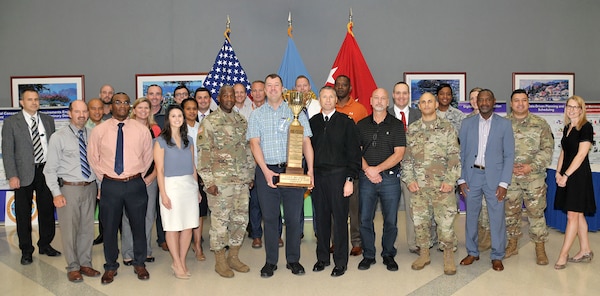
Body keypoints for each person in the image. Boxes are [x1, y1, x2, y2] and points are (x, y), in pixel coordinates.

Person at [247, 74, 314, 278]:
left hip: (293, 171)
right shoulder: (257, 115)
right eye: (269, 85)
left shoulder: (296, 111)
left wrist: (310, 170)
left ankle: (293, 260)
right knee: (270, 218)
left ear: (283, 88)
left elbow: (306, 143)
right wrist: (266, 171)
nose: (273, 89)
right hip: (267, 172)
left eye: (277, 85)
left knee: (293, 219)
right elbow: (254, 143)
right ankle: (271, 262)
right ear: (265, 90)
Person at [88, 92, 153, 284]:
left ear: (130, 106)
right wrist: (105, 178)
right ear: (111, 106)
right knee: (109, 228)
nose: (122, 105)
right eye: (118, 102)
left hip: (135, 184)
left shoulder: (141, 130)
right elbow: (93, 157)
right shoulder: (100, 130)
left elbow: (148, 156)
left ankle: (140, 263)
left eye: (126, 102)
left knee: (138, 225)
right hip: (110, 185)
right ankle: (110, 266)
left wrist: (137, 175)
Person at [197, 85, 255, 278]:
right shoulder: (210, 122)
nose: (230, 98)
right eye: (226, 95)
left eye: (232, 95)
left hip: (241, 182)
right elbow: (203, 153)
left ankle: (234, 257)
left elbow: (248, 150)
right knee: (220, 222)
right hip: (220, 183)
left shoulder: (241, 120)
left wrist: (250, 175)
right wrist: (208, 181)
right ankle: (220, 261)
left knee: (240, 220)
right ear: (219, 98)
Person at [402, 92, 461, 275]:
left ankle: (448, 255)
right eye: (423, 102)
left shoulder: (447, 128)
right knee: (420, 222)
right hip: (419, 187)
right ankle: (424, 254)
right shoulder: (412, 129)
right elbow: (407, 159)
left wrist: (450, 181)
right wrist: (409, 180)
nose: (426, 105)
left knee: (445, 223)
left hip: (442, 187)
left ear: (435, 105)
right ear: (418, 106)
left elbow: (454, 157)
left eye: (430, 101)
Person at [43, 101, 100, 282]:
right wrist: (56, 193)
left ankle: (85, 263)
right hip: (68, 188)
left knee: (87, 229)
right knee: (69, 230)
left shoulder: (93, 135)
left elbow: (97, 164)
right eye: (77, 111)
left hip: (90, 187)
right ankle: (73, 267)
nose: (82, 115)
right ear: (70, 113)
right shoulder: (58, 137)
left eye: (84, 111)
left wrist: (99, 186)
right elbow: (50, 169)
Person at [458, 89, 514, 272]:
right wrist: (461, 179)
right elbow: (460, 153)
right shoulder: (467, 124)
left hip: (495, 178)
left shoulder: (504, 125)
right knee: (471, 217)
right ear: (476, 103)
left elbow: (509, 155)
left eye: (487, 99)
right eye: (480, 99)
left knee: (497, 218)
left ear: (494, 101)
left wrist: (504, 183)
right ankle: (472, 252)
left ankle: (497, 256)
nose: (483, 102)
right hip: (472, 177)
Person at [2, 88, 59, 265]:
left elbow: (54, 148)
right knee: (23, 213)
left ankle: (45, 244)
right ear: (22, 102)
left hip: (46, 171)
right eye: (29, 99)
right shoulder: (12, 122)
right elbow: (8, 152)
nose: (34, 102)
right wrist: (12, 175)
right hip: (23, 173)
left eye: (36, 99)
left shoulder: (48, 121)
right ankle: (26, 250)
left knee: (47, 211)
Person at [309, 86, 360, 277]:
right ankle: (322, 258)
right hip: (318, 177)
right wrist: (309, 175)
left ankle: (340, 262)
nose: (328, 100)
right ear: (319, 100)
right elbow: (307, 152)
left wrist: (349, 180)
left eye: (331, 97)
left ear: (335, 100)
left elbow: (354, 154)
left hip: (339, 177)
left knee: (339, 221)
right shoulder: (312, 122)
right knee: (321, 220)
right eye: (324, 97)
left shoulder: (346, 123)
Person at [502, 89, 554, 265]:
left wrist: (530, 166)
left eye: (523, 100)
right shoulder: (503, 124)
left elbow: (547, 150)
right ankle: (512, 244)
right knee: (510, 213)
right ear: (511, 103)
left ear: (528, 102)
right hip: (510, 178)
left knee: (536, 213)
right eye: (516, 101)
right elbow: (495, 150)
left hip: (534, 178)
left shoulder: (540, 124)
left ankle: (540, 248)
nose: (520, 104)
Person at [356, 88, 405, 272]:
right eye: (376, 97)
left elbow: (399, 153)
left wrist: (378, 169)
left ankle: (388, 254)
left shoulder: (396, 125)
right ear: (370, 100)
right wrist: (368, 169)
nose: (379, 101)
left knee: (391, 220)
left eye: (383, 98)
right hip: (366, 178)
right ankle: (368, 255)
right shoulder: (360, 125)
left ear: (388, 102)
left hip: (390, 180)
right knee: (365, 219)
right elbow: (356, 151)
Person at [154, 105, 200, 279]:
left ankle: (181, 261)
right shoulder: (160, 141)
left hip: (189, 185)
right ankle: (176, 262)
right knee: (173, 226)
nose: (177, 118)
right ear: (168, 119)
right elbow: (159, 170)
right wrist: (164, 194)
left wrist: (196, 188)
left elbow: (193, 166)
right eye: (173, 116)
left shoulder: (189, 140)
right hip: (171, 186)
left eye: (180, 115)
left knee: (188, 225)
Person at [553, 95, 596, 269]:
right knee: (578, 215)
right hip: (567, 174)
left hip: (578, 176)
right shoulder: (567, 127)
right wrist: (558, 172)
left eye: (575, 107)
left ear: (581, 109)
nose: (571, 109)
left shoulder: (586, 127)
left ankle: (563, 255)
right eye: (569, 106)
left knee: (573, 216)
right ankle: (585, 250)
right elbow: (564, 152)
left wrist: (567, 175)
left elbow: (580, 155)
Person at [120, 98, 161, 266]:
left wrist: (152, 177)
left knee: (148, 216)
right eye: (140, 107)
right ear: (134, 110)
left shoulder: (156, 130)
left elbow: (160, 158)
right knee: (128, 217)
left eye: (147, 108)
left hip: (151, 179)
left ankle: (145, 251)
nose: (143, 111)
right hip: (130, 179)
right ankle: (128, 252)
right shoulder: (125, 128)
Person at [388, 82, 427, 255]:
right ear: (393, 95)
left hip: (413, 171)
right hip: (390, 169)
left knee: (414, 208)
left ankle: (413, 243)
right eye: (398, 93)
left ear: (409, 95)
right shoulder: (385, 114)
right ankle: (391, 244)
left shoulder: (419, 115)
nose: (401, 96)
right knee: (390, 210)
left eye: (405, 93)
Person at [334, 75, 369, 256]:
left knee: (354, 207)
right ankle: (336, 240)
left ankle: (356, 241)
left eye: (344, 85)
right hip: (332, 167)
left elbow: (364, 138)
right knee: (334, 207)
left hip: (352, 166)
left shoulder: (359, 109)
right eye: (337, 85)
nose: (340, 87)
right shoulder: (329, 106)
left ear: (350, 88)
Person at [248, 80, 284, 249]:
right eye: (253, 90)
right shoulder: (253, 113)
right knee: (256, 203)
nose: (257, 93)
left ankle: (277, 235)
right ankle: (256, 235)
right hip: (258, 167)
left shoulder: (287, 110)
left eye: (260, 90)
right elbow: (253, 144)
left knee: (274, 206)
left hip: (280, 165)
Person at [181, 98, 208, 261]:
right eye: (188, 108)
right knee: (184, 212)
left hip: (200, 175)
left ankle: (197, 245)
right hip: (182, 176)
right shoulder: (178, 129)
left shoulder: (201, 128)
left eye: (194, 109)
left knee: (199, 212)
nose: (191, 111)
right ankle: (183, 244)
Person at [146, 84, 167, 251]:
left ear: (162, 97)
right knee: (144, 209)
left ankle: (163, 238)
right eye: (151, 94)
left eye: (157, 94)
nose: (154, 97)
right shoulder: (139, 116)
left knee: (162, 205)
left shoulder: (166, 117)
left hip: (163, 168)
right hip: (142, 170)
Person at [86, 98, 106, 246]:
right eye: (94, 108)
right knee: (89, 209)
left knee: (105, 208)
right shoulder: (83, 127)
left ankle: (104, 234)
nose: (97, 111)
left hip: (105, 174)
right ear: (88, 110)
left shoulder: (108, 126)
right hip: (87, 175)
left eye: (100, 108)